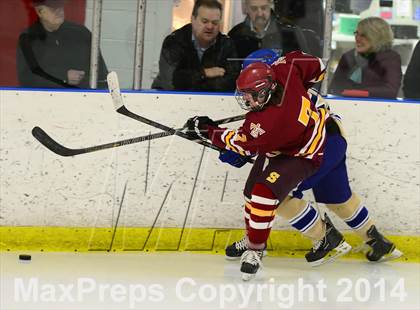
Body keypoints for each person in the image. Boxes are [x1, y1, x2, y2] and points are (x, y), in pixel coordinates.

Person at [222, 49, 403, 264]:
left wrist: (241, 146)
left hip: (318, 147)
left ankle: (326, 239)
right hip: (333, 138)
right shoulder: (291, 85)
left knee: (274, 195)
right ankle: (376, 241)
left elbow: (273, 135)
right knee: (338, 197)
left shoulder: (284, 97)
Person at [187, 51, 352, 280]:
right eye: (244, 94)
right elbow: (319, 67)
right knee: (249, 192)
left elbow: (242, 144)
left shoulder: (267, 122)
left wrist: (208, 132)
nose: (246, 101)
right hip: (288, 141)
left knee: (263, 193)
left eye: (251, 96)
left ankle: (256, 249)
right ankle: (253, 235)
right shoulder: (287, 67)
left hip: (304, 153)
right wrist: (304, 91)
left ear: (266, 90)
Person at [151, 0, 240, 92]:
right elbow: (171, 82)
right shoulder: (175, 41)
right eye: (204, 21)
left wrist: (190, 79)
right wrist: (204, 73)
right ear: (193, 19)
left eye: (215, 23)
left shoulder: (226, 45)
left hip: (212, 102)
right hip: (167, 99)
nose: (210, 26)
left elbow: (231, 83)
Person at [17, 0, 108, 89]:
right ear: (40, 11)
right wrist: (63, 76)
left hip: (81, 99)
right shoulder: (28, 39)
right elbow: (26, 78)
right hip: (43, 101)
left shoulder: (82, 34)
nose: (59, 10)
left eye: (60, 6)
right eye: (53, 8)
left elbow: (101, 75)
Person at [329, 17, 402, 99]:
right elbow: (334, 89)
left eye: (363, 35)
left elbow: (391, 91)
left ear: (378, 37)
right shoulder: (348, 57)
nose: (357, 38)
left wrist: (357, 92)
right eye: (356, 33)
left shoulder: (390, 58)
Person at [228, 0, 309, 60]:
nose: (259, 13)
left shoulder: (290, 32)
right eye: (254, 9)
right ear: (246, 9)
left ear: (271, 5)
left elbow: (305, 66)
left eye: (263, 8)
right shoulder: (236, 34)